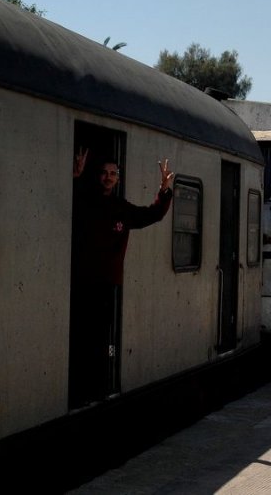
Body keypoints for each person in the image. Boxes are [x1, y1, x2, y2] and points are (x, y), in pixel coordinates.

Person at [68, 147, 174, 408]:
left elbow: (152, 214)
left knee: (103, 341)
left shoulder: (121, 208)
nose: (107, 177)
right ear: (98, 176)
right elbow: (70, 201)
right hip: (81, 282)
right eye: (104, 173)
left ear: (118, 178)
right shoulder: (84, 200)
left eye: (112, 174)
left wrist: (164, 190)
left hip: (107, 283)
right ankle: (81, 391)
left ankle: (99, 389)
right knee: (82, 338)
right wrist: (74, 177)